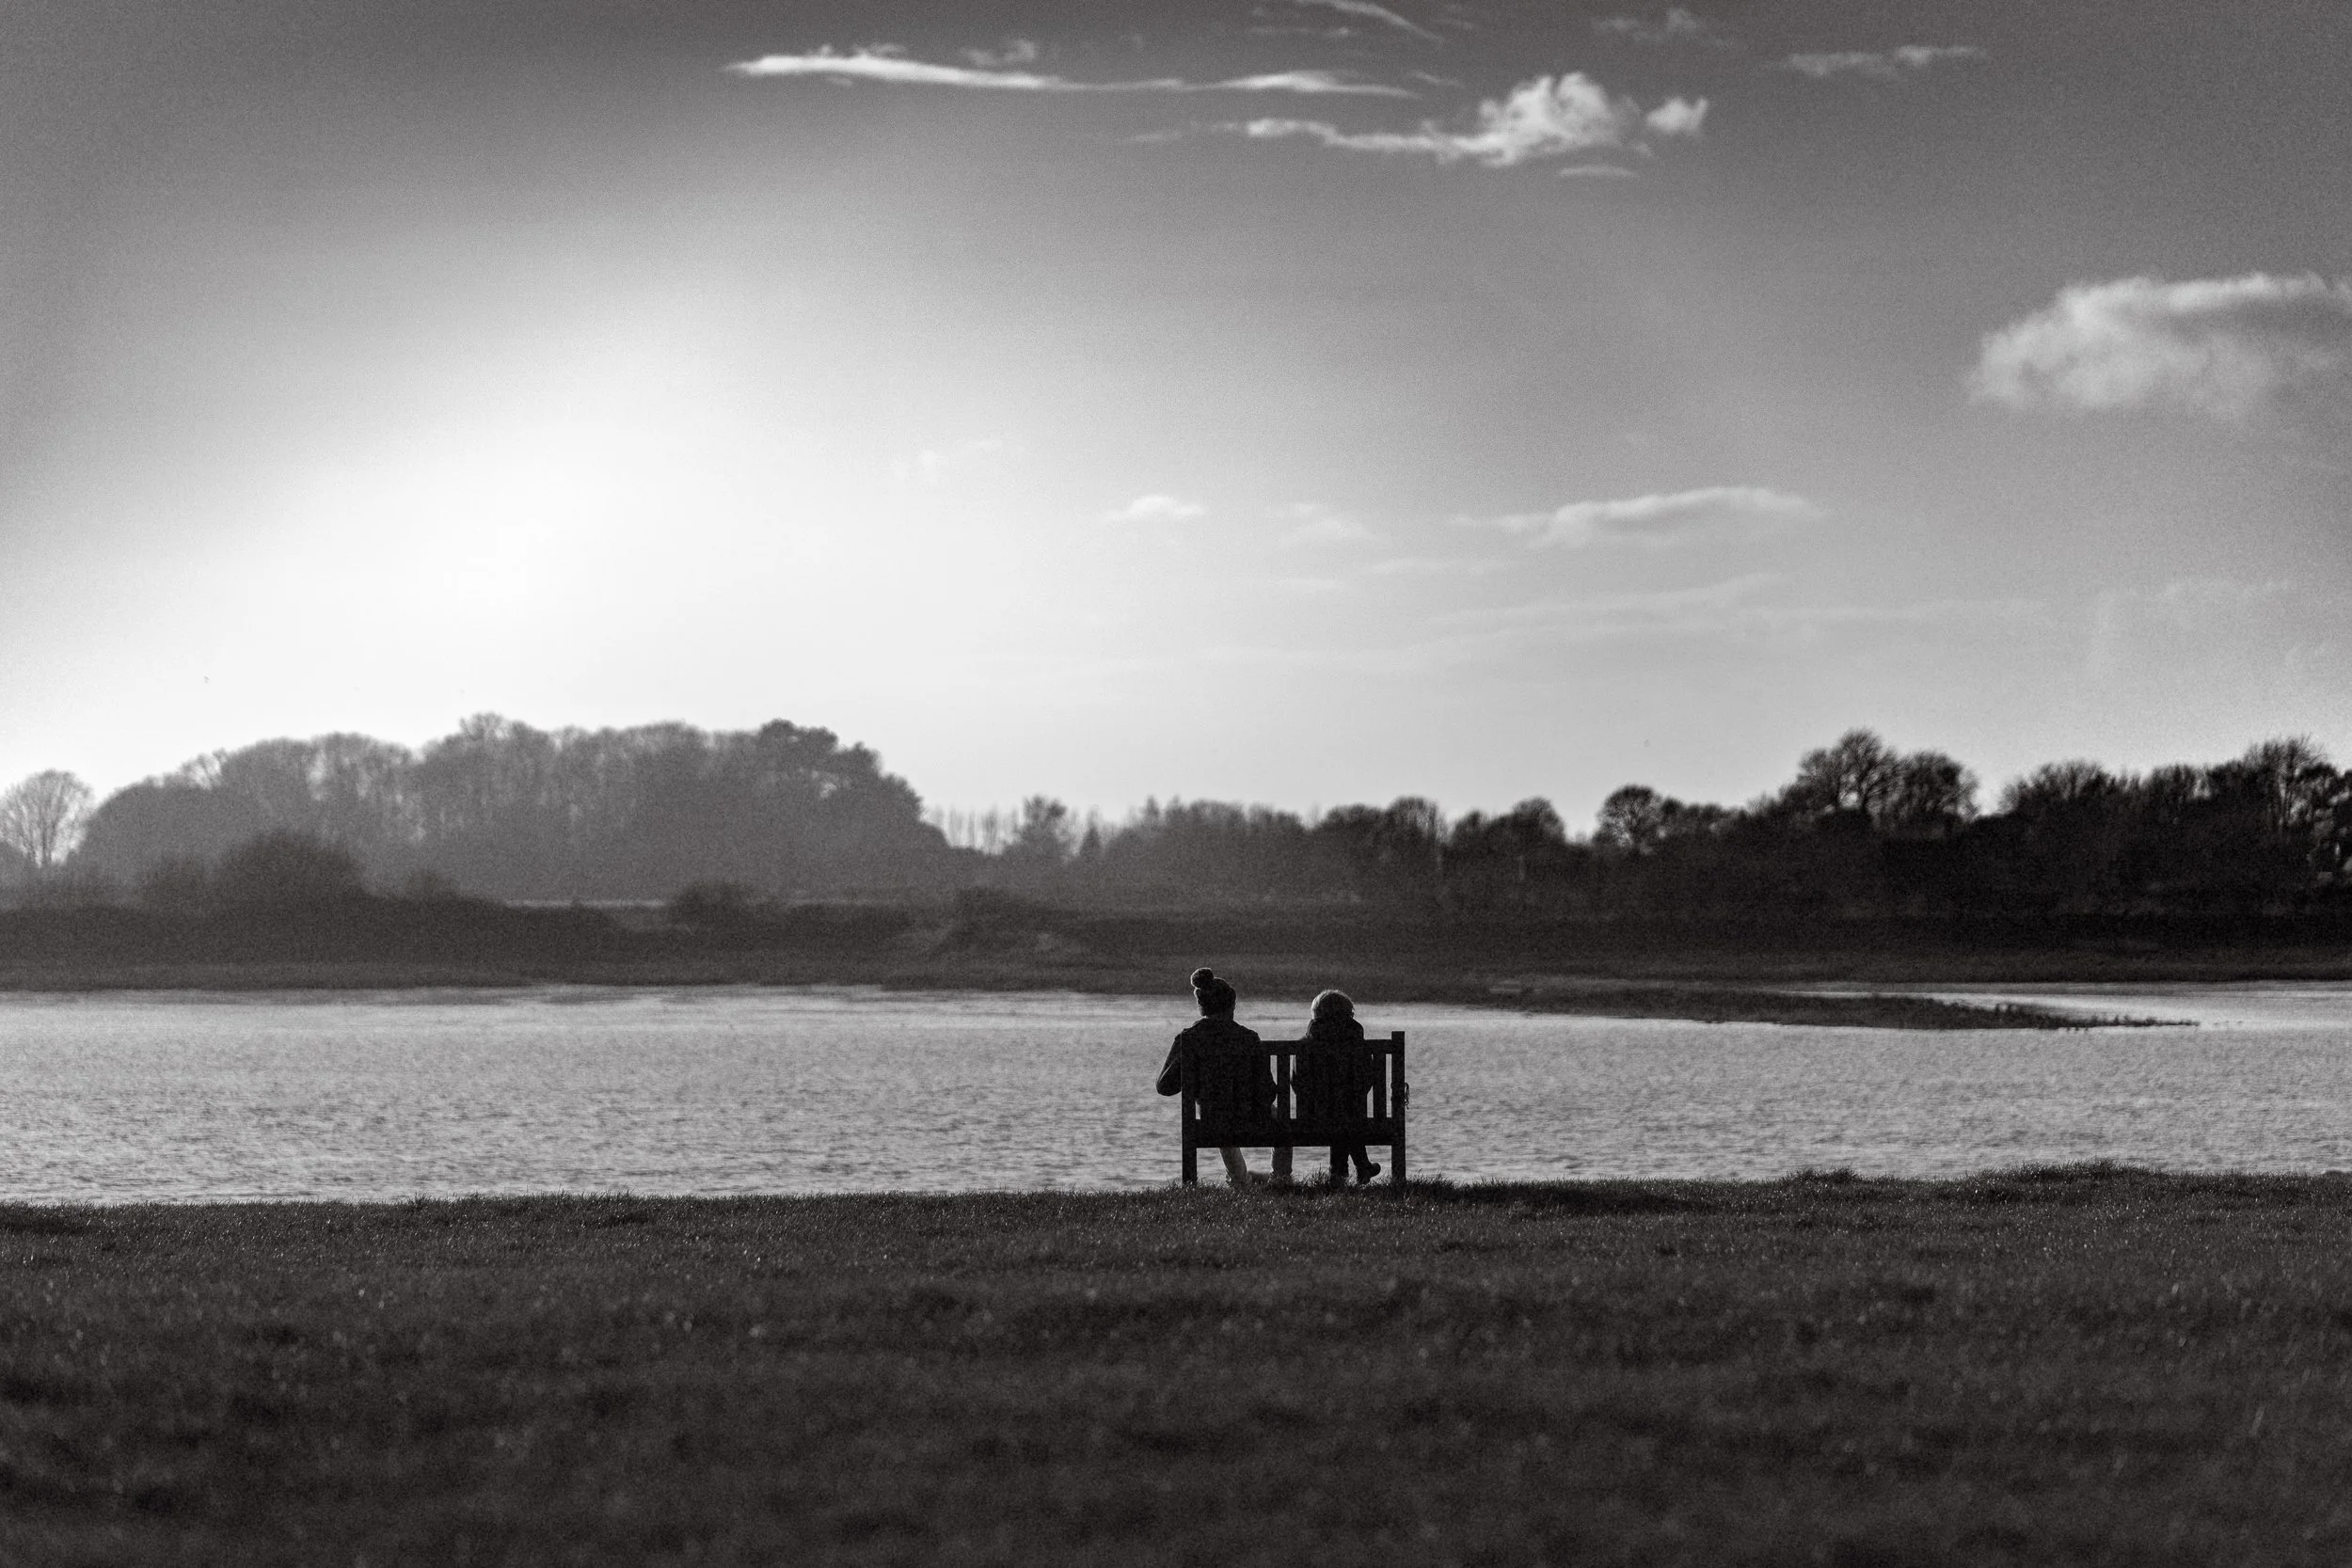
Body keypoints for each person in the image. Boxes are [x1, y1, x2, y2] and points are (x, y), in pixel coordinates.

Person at [1155, 967, 1271, 1188]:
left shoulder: (1188, 1039)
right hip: (1253, 1114)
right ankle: (1281, 1176)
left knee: (1221, 1117)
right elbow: (1268, 1090)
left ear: (1201, 1007)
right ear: (1232, 1006)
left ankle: (1240, 1181)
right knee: (1276, 1117)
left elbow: (1165, 1087)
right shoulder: (1249, 1038)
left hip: (1212, 1118)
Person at [1297, 988, 1381, 1184]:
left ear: (1316, 1015)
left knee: (1338, 1112)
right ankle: (1359, 1167)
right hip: (1354, 1115)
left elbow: (1298, 1083)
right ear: (1349, 1015)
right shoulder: (1357, 1044)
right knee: (1345, 1112)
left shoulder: (1305, 1045)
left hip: (1312, 1118)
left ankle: (1341, 1173)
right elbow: (1366, 1080)